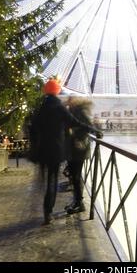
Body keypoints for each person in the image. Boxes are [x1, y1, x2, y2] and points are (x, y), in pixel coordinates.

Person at [29, 78, 98, 225]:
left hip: (42, 151)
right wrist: (93, 130)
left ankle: (46, 210)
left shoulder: (41, 107)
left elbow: (33, 127)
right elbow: (75, 122)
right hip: (56, 150)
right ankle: (48, 212)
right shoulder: (59, 108)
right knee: (52, 180)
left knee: (45, 180)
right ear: (57, 91)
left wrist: (35, 144)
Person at [65, 97, 102, 214]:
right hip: (72, 148)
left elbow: (88, 126)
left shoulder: (80, 112)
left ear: (75, 102)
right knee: (74, 176)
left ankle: (79, 203)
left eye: (70, 100)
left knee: (76, 176)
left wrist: (96, 132)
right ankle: (77, 201)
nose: (67, 102)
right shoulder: (72, 111)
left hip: (79, 148)